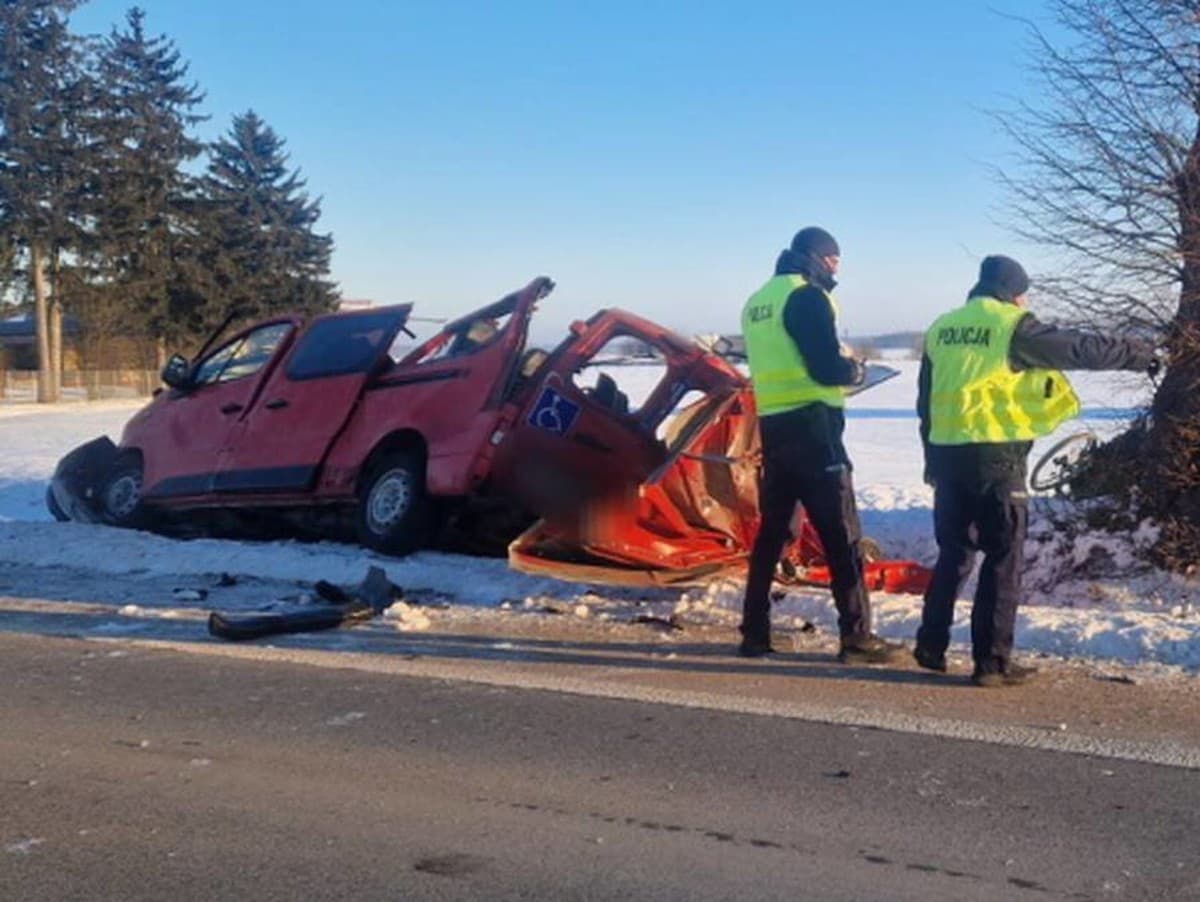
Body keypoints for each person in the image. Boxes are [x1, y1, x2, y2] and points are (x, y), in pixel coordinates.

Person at [914, 255, 1157, 687]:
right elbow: (1078, 348)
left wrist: (931, 462)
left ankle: (930, 645)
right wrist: (1137, 355)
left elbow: (925, 403)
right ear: (1013, 291)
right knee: (1003, 559)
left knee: (954, 553)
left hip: (947, 457)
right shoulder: (1012, 326)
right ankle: (991, 663)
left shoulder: (941, 329)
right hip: (996, 458)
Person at [738, 226, 903, 664]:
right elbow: (825, 367)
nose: (835, 270)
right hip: (815, 429)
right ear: (818, 258)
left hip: (773, 428)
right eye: (833, 261)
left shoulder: (757, 302)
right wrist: (853, 371)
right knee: (841, 534)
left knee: (773, 533)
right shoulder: (807, 296)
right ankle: (857, 638)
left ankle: (753, 632)